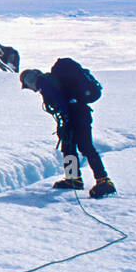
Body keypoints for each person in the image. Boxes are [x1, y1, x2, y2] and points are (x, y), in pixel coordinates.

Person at [20, 66, 117, 199]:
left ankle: (104, 180)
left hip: (76, 116)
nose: (31, 90)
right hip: (77, 115)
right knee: (68, 146)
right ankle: (73, 178)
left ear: (29, 80)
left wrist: (66, 117)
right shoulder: (47, 80)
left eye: (27, 86)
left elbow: (58, 97)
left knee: (85, 147)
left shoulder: (44, 82)